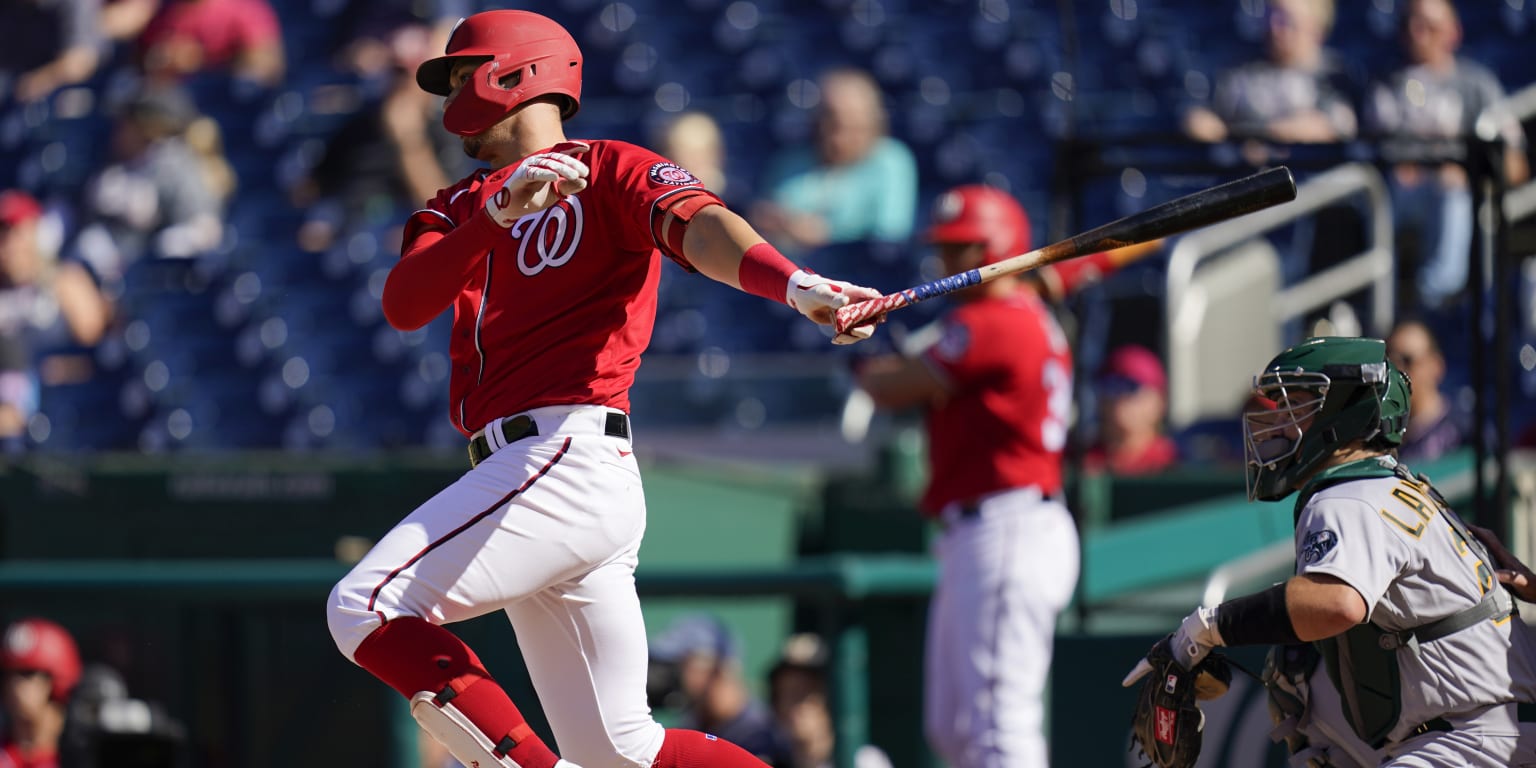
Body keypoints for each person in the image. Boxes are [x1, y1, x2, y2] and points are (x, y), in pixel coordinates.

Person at [324, 11, 880, 768]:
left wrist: (796, 285)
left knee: (366, 606)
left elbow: (703, 229)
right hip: (532, 475)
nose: (451, 95)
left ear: (514, 74)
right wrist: (493, 217)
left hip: (565, 456)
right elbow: (404, 303)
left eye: (462, 73)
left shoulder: (612, 167)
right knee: (623, 751)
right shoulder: (457, 206)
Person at [1123, 336, 1536, 766]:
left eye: (1296, 405)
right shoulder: (1393, 484)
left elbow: (1337, 602)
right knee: (1297, 670)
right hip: (1492, 728)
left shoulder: (1348, 494)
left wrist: (1206, 628)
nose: (1278, 422)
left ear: (1346, 410)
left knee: (1301, 664)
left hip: (1470, 740)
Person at [853, 184, 1079, 767]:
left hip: (1009, 525)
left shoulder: (996, 321)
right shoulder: (1012, 316)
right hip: (984, 529)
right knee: (953, 729)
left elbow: (889, 387)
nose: (949, 262)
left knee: (998, 724)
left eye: (963, 248)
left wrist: (853, 350)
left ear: (996, 248)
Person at [1362, 0, 1529, 313]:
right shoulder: (1385, 84)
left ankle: (1436, 303)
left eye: (1429, 25)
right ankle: (1378, 307)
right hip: (1394, 194)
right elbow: (1372, 156)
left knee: (1452, 192)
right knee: (1368, 198)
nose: (1417, 34)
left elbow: (1515, 164)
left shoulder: (1476, 85)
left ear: (1453, 32)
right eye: (1409, 24)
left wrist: (1466, 172)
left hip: (1452, 194)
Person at [69, 83, 225, 290]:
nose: (118, 133)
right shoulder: (117, 168)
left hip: (171, 275)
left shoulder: (176, 163)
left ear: (146, 128)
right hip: (125, 267)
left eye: (126, 125)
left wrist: (160, 244)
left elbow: (205, 228)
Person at [750, 67, 917, 254]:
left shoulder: (892, 161)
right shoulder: (789, 162)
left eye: (855, 128)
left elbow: (890, 235)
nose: (840, 139)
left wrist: (827, 235)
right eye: (833, 125)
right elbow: (766, 219)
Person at [0, 190, 113, 447]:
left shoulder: (66, 282)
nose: (8, 244)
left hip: (67, 413)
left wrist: (47, 374)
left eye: (16, 232)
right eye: (2, 234)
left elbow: (100, 357)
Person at [1182, 0, 1357, 146]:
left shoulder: (1333, 73)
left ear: (1315, 27)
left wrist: (1264, 134)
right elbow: (1199, 119)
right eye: (1270, 16)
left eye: (1285, 20)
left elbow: (1337, 125)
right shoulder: (1241, 70)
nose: (1274, 28)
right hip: (1245, 174)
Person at [647, 614, 793, 768]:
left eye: (678, 664)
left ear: (712, 667)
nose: (671, 675)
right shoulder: (693, 722)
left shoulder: (761, 735)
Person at [766, 633, 892, 768]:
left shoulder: (864, 760)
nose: (794, 705)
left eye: (805, 693)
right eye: (786, 694)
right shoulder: (766, 759)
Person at [136, 0, 284, 87]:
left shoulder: (241, 9)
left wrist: (200, 60)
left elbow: (268, 68)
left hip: (218, 102)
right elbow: (137, 62)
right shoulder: (159, 10)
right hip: (169, 101)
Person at [1084, 344, 1178, 476]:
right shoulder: (1078, 460)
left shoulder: (1174, 461)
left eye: (1131, 387)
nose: (1119, 396)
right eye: (1110, 384)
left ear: (1160, 401)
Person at [1, 617, 82, 768]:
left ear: (56, 680)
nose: (14, 684)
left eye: (27, 673)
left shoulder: (82, 757)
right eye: (7, 674)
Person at [1385, 319, 1466, 463]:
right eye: (1389, 362)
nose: (1396, 370)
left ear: (1436, 366)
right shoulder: (1381, 441)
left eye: (1406, 360)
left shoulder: (1462, 437)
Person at [0, 0, 103, 105]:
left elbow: (82, 59)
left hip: (45, 96)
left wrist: (42, 80)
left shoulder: (74, 4)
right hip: (7, 78)